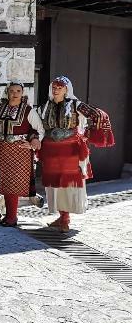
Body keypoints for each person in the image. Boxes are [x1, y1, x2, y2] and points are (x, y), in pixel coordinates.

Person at [38, 76, 114, 232]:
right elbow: (37, 126)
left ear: (67, 90)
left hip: (71, 151)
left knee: (68, 185)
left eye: (60, 87)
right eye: (54, 87)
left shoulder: (76, 105)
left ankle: (65, 219)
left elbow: (97, 115)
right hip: (51, 151)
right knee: (55, 186)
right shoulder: (44, 107)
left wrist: (87, 133)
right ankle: (61, 216)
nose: (56, 90)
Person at [0, 82, 44, 227]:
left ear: (22, 93)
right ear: (7, 92)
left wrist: (33, 142)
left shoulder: (28, 111)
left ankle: (11, 217)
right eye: (12, 91)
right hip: (0, 150)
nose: (15, 93)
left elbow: (39, 129)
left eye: (18, 91)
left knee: (12, 184)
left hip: (19, 152)